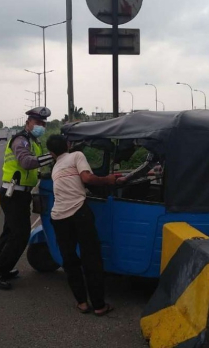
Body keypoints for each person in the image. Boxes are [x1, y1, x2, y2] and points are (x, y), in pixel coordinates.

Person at [46, 135, 124, 316]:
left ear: (51, 153)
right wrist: (108, 180)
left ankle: (81, 302)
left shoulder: (55, 167)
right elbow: (87, 179)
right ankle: (99, 305)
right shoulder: (77, 156)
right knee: (91, 259)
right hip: (78, 213)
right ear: (68, 145)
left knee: (70, 260)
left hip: (58, 217)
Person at [0, 107, 54, 290]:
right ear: (28, 123)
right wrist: (51, 157)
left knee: (9, 234)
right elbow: (26, 162)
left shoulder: (34, 141)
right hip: (13, 193)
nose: (40, 126)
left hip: (20, 193)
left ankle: (0, 269)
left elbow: (32, 169)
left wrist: (45, 175)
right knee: (20, 235)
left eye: (43, 123)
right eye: (37, 122)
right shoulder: (21, 140)